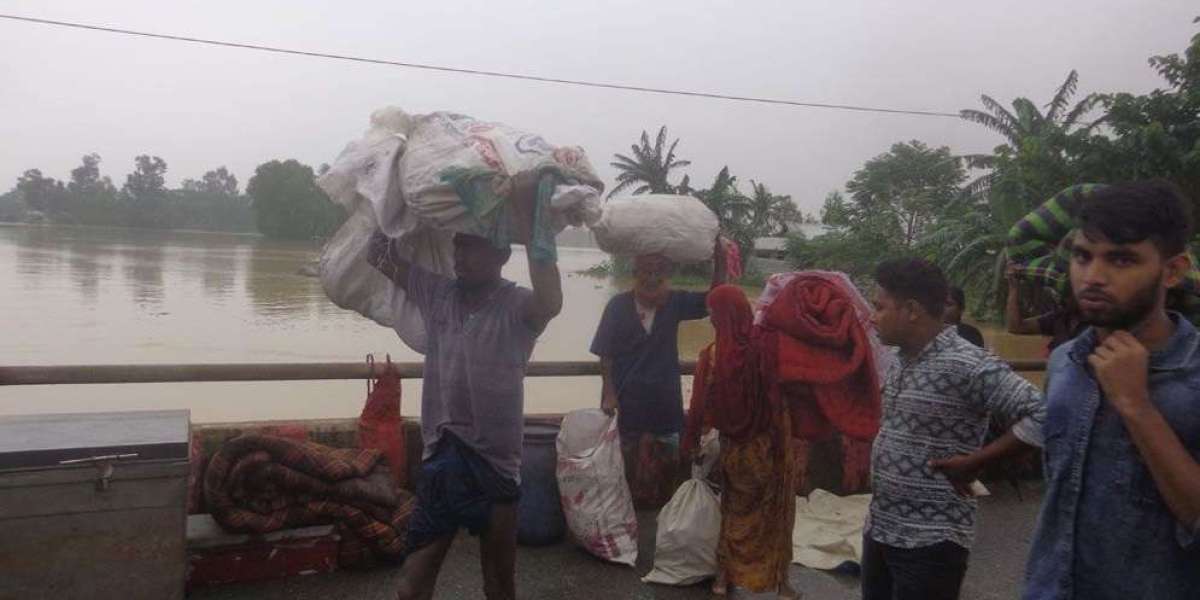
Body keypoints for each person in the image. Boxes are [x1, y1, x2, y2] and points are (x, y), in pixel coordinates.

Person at [367, 173, 561, 600]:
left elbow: (552, 301)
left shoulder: (518, 306)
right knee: (411, 585)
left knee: (498, 585)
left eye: (470, 244)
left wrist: (531, 225)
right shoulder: (438, 293)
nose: (459, 254)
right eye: (457, 243)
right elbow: (377, 254)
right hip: (441, 454)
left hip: (494, 463)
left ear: (500, 253)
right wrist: (392, 195)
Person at [1023, 182, 1200, 600]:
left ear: (1172, 271)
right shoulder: (1064, 361)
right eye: (1083, 257)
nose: (1093, 277)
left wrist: (1136, 405)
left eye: (1121, 259)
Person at [864, 258, 1045, 600]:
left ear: (912, 310)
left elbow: (1045, 414)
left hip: (931, 541)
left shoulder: (968, 364)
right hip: (881, 528)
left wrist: (981, 459)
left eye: (880, 307)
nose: (872, 317)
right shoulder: (900, 359)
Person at [683, 285, 798, 599]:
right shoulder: (768, 348)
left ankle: (724, 577)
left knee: (733, 511)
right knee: (777, 512)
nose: (710, 319)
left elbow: (700, 405)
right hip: (773, 444)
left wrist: (692, 441)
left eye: (713, 313)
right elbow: (786, 391)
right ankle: (782, 582)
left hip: (735, 447)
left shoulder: (712, 354)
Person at [589, 244, 726, 507]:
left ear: (667, 274)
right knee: (623, 466)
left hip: (664, 401)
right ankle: (624, 515)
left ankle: (663, 516)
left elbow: (714, 299)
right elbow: (605, 354)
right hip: (627, 400)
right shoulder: (617, 306)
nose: (651, 278)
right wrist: (608, 392)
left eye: (658, 272)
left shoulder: (674, 303)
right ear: (635, 272)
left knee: (668, 467)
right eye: (646, 271)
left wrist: (719, 262)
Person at [1005, 261, 1085, 353]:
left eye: (1067, 293)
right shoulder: (1060, 317)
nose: (1059, 296)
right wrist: (1014, 288)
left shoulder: (1094, 325)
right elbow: (1016, 327)